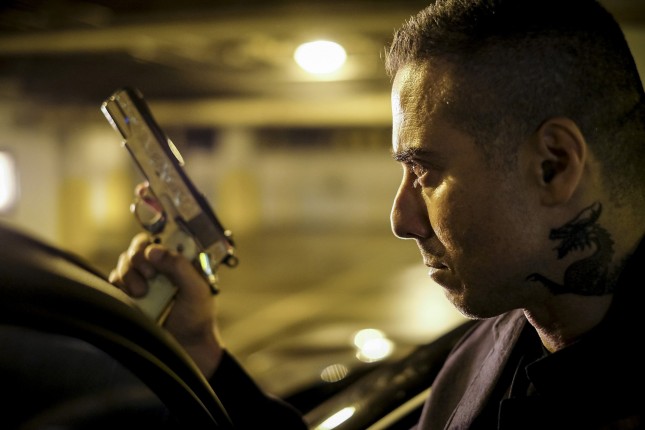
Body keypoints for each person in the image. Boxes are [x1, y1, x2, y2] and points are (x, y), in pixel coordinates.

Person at [109, 0, 645, 428]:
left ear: (553, 165)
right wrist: (200, 352)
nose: (401, 219)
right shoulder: (495, 341)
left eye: (425, 172)